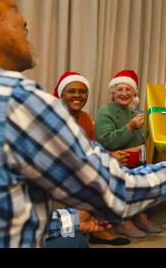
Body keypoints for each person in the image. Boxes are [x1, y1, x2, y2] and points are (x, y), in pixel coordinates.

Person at [0, 0, 166, 248]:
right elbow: (114, 187)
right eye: (12, 8)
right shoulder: (16, 98)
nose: (24, 20)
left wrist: (71, 221)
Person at [53, 71, 130, 246]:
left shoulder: (85, 118)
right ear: (61, 94)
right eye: (71, 91)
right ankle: (80, 225)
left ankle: (101, 226)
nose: (78, 96)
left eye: (82, 91)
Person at [95, 69, 162, 238]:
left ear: (134, 93)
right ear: (113, 92)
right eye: (120, 89)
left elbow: (142, 141)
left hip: (135, 161)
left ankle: (141, 216)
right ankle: (123, 222)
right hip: (113, 162)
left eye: (128, 90)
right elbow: (106, 141)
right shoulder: (106, 111)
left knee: (150, 173)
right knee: (126, 176)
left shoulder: (137, 113)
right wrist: (130, 127)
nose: (124, 93)